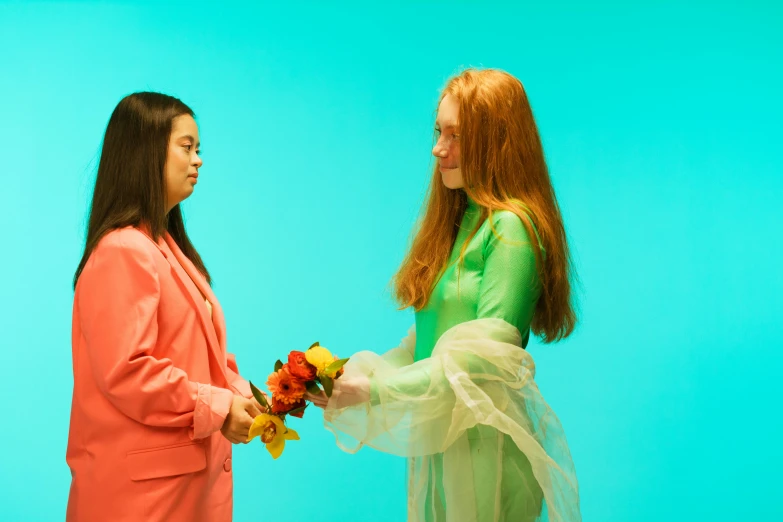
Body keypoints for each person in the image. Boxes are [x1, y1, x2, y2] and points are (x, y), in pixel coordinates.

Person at [307, 69, 581, 521]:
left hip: (487, 455)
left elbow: (480, 364)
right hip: (447, 443)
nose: (438, 148)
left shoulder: (511, 228)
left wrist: (376, 388)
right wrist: (351, 374)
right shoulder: (459, 223)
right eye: (438, 131)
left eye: (456, 135)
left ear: (497, 140)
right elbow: (426, 345)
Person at [66, 92, 262, 522]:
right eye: (186, 146)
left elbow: (198, 357)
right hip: (140, 502)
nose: (198, 160)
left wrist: (246, 397)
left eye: (199, 149)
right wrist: (219, 406)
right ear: (146, 151)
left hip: (176, 491)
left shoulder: (163, 246)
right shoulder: (123, 250)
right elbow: (129, 370)